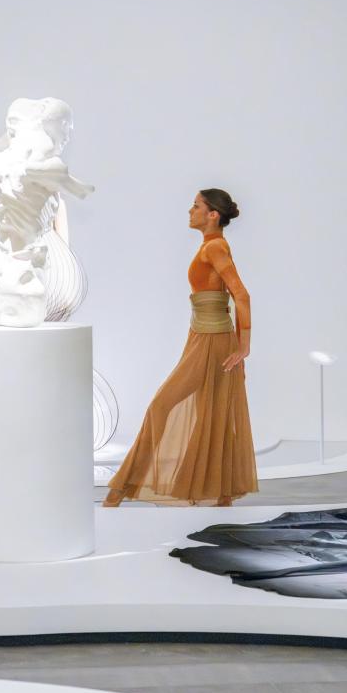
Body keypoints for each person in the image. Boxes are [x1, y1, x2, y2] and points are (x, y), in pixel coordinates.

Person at [103, 189, 259, 507]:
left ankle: (121, 488)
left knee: (163, 406)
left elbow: (241, 295)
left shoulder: (214, 247)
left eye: (196, 206)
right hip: (204, 336)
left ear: (213, 214)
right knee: (211, 412)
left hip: (214, 340)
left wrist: (244, 347)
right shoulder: (210, 246)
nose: (190, 211)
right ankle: (221, 497)